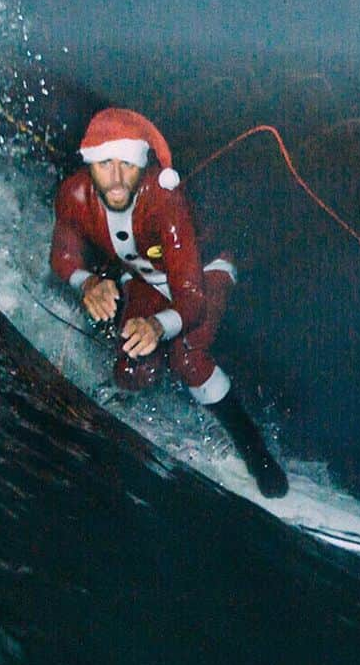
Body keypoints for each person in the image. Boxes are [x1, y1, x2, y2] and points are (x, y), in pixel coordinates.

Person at [50, 107, 288, 498]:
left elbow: (191, 301)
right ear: (89, 164)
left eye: (126, 165)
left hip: (203, 272)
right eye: (105, 164)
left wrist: (158, 326)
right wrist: (89, 281)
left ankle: (255, 450)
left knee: (187, 357)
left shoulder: (163, 202)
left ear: (141, 166)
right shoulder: (74, 194)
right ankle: (141, 405)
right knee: (131, 370)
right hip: (145, 275)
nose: (115, 178)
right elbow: (62, 258)